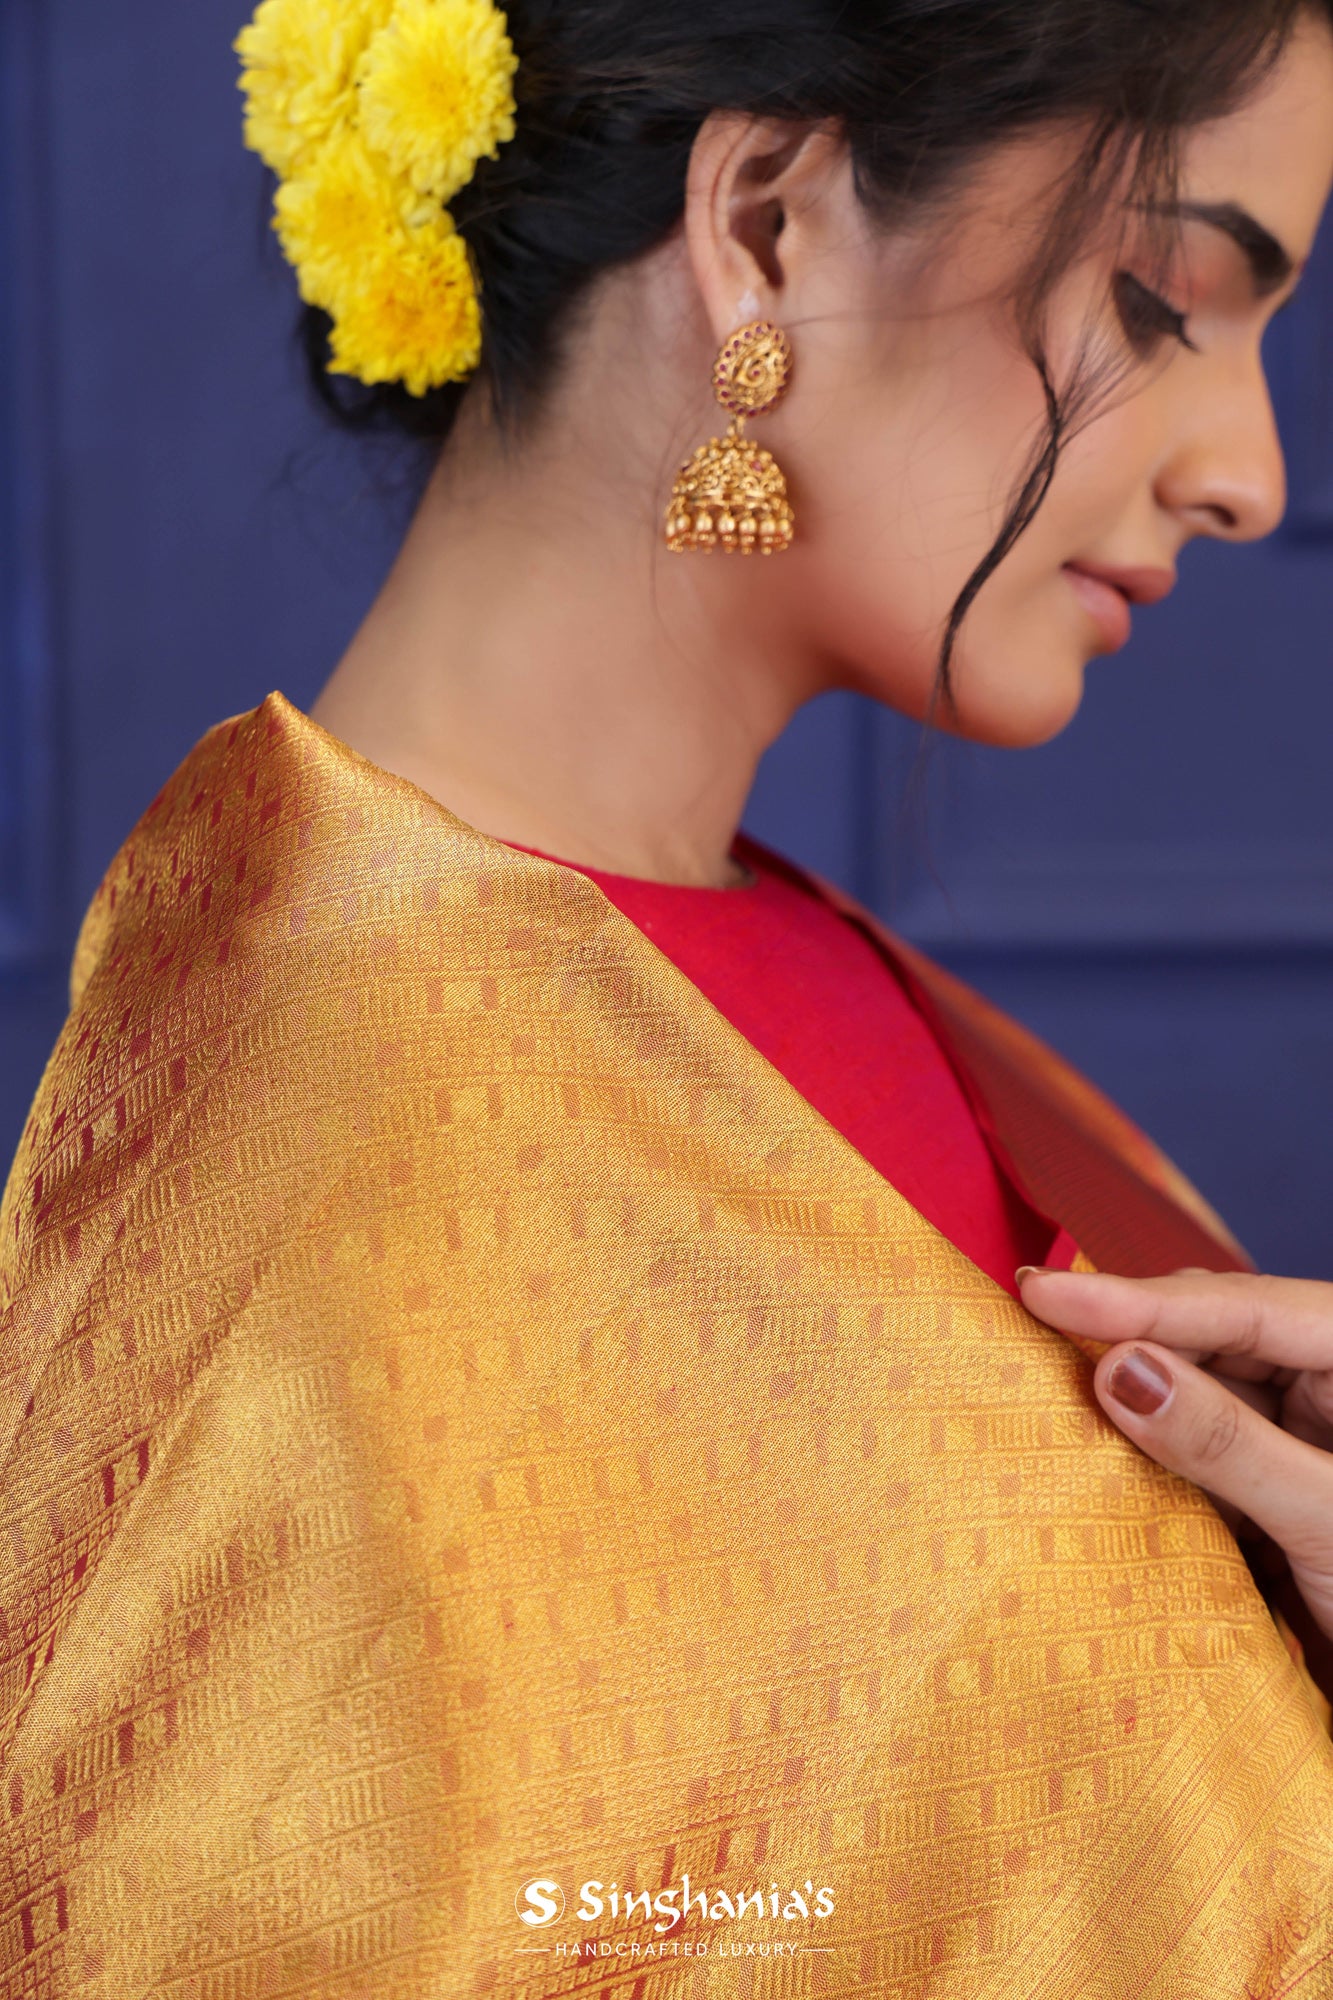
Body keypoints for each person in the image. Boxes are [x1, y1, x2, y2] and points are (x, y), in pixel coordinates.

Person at [4, 0, 1333, 1991]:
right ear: (772, 226)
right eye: (1164, 303)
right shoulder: (348, 1167)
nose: (1250, 471)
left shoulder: (786, 969)